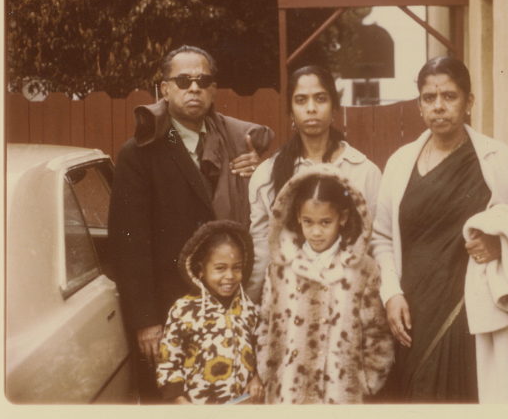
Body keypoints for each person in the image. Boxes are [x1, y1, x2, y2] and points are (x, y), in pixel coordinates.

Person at [370, 56, 508, 403]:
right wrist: (391, 294)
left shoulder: (500, 161)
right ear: (419, 104)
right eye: (429, 98)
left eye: (449, 96)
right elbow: (382, 237)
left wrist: (502, 244)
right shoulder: (400, 163)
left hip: (473, 313)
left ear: (468, 102)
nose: (439, 107)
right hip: (413, 311)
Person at [108, 45, 273, 401]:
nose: (194, 88)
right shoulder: (139, 153)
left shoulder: (235, 146)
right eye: (183, 80)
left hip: (229, 312)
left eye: (203, 81)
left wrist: (258, 174)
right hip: (169, 317)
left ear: (214, 90)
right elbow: (130, 246)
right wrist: (147, 322)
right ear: (164, 89)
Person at [256, 165, 394, 403]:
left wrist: (367, 381)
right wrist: (266, 370)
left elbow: (376, 332)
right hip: (287, 394)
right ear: (297, 216)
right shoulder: (280, 268)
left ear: (343, 218)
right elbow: (265, 324)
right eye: (308, 222)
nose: (316, 232)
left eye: (325, 222)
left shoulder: (362, 270)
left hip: (340, 396)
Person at [248, 65, 380, 303]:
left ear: (334, 107)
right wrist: (250, 306)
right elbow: (262, 251)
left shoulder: (363, 171)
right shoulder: (267, 176)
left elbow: (375, 245)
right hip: (290, 309)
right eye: (301, 100)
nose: (311, 108)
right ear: (290, 110)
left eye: (320, 99)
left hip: (348, 306)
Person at [156, 220, 264, 404]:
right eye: (220, 268)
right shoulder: (183, 310)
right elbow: (168, 362)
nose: (229, 276)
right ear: (200, 270)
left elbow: (261, 351)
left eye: (236, 267)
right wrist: (180, 401)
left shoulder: (249, 309)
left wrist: (257, 378)